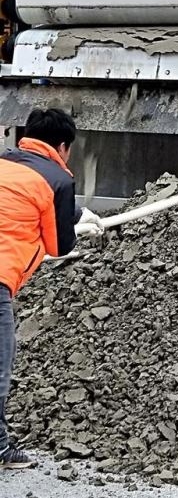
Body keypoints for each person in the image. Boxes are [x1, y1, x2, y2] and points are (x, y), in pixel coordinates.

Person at [0, 108, 103, 468]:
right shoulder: (59, 179)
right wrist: (77, 229)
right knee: (0, 365)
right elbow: (60, 247)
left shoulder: (4, 161)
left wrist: (74, 213)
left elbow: (24, 199)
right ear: (63, 147)